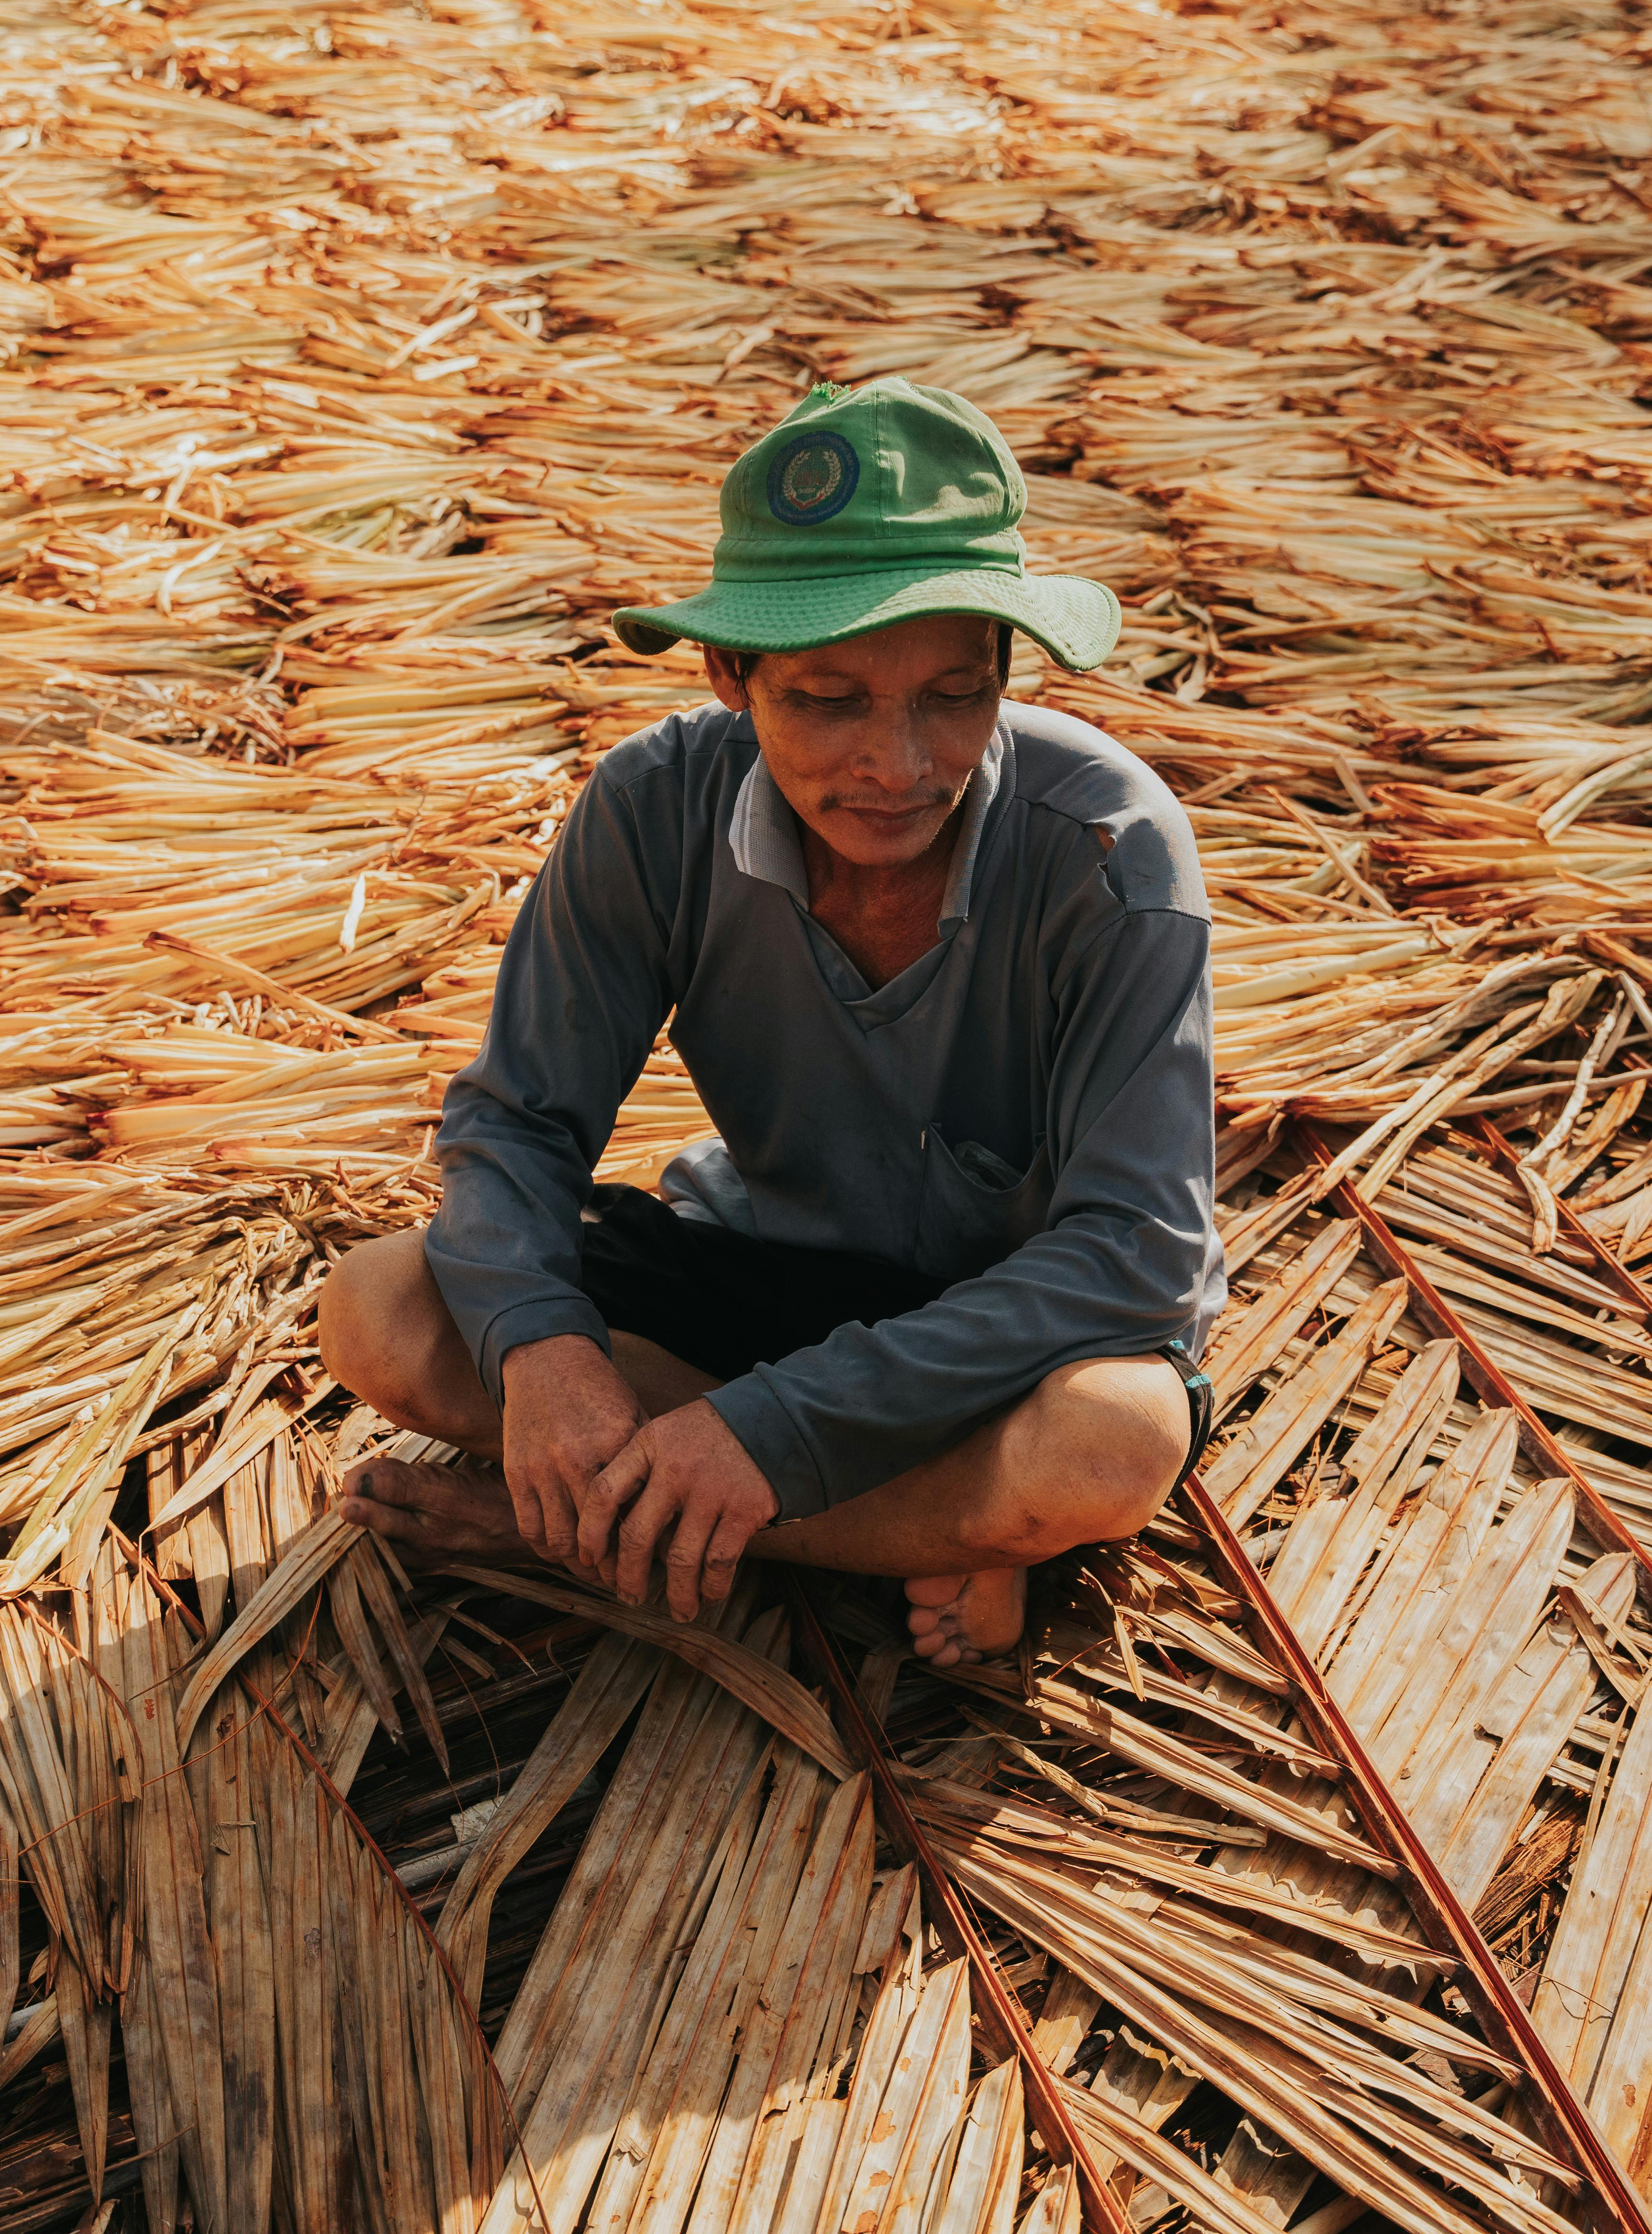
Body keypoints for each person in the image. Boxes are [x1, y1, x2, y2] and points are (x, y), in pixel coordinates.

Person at [318, 376, 1221, 1666]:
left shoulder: (1109, 848)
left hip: (1007, 1338)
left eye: (953, 695)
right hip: (766, 1267)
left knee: (1109, 1445)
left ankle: (605, 1527)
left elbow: (1131, 1255)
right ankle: (915, 1533)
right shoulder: (652, 811)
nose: (900, 764)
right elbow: (518, 1125)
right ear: (730, 674)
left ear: (1006, 672)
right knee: (382, 1308)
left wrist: (770, 1430)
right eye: (830, 699)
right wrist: (551, 1360)